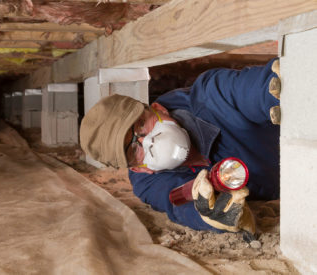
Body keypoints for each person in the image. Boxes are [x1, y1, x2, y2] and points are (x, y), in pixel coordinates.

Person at [80, 58, 281, 235]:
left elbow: (250, 89)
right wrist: (208, 214)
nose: (148, 140)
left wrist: (278, 87)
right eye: (134, 149)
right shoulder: (148, 184)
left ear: (158, 109)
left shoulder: (211, 97)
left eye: (141, 125)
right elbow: (177, 204)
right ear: (138, 168)